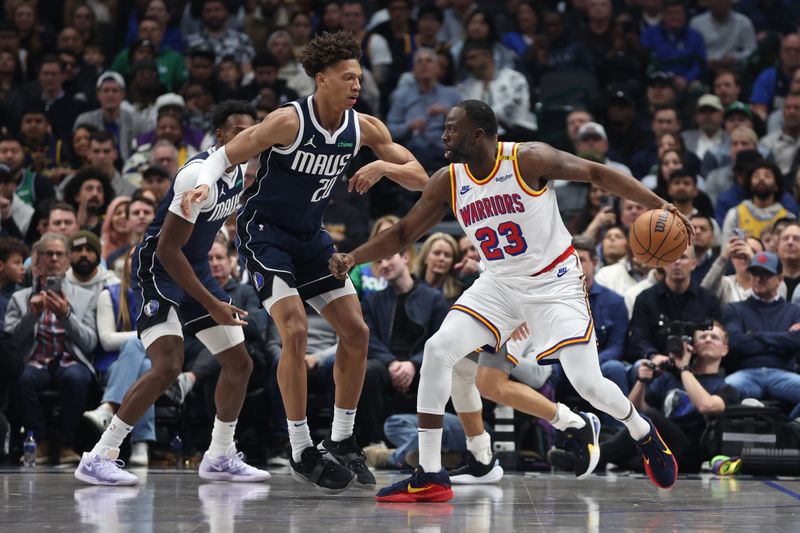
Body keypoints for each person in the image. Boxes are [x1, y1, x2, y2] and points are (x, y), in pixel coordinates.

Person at [330, 100, 693, 501]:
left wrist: (659, 204)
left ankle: (643, 432)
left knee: (588, 383)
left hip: (554, 284)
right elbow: (401, 235)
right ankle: (430, 473)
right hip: (500, 284)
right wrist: (353, 256)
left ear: (478, 135)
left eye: (452, 129)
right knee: (438, 350)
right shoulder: (448, 180)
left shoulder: (527, 159)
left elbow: (595, 172)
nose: (444, 136)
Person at [190, 31, 428, 494]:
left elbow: (420, 177)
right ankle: (300, 447)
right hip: (264, 234)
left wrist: (383, 167)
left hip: (311, 238)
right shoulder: (288, 121)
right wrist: (205, 183)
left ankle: (341, 440)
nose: (356, 85)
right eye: (347, 77)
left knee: (357, 332)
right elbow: (227, 153)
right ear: (321, 80)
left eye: (359, 77)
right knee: (294, 329)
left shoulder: (366, 128)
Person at [74, 101, 270, 486]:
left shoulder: (239, 172)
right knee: (167, 365)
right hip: (158, 269)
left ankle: (219, 455)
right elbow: (167, 250)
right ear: (221, 136)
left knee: (239, 363)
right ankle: (100, 455)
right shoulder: (198, 175)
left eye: (253, 131)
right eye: (239, 131)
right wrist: (212, 302)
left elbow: (202, 234)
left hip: (192, 266)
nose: (248, 138)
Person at [7, 232, 97, 464]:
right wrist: (31, 315)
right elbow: (11, 344)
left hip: (69, 361)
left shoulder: (86, 297)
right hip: (36, 361)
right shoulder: (20, 298)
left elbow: (89, 343)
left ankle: (66, 444)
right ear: (38, 260)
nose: (54, 259)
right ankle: (41, 441)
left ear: (67, 260)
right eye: (49, 254)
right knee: (21, 377)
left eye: (60, 254)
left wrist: (66, 315)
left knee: (78, 377)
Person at [723, 251, 800, 420]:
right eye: (755, 273)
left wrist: (755, 335)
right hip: (746, 373)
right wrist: (781, 339)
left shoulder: (794, 311)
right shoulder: (734, 309)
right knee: (719, 393)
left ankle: (789, 428)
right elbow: (736, 342)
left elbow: (796, 341)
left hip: (782, 374)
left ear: (780, 279)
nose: (759, 279)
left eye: (766, 274)